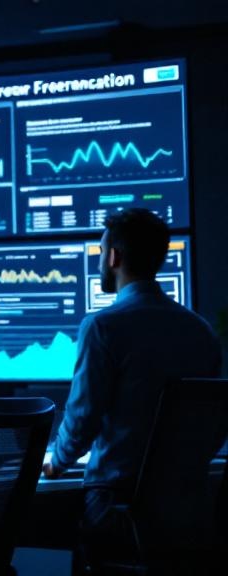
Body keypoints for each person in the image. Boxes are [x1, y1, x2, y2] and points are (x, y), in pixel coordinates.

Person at [39, 209, 221, 560]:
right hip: (189, 513)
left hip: (115, 508)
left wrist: (55, 464)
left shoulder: (104, 327)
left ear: (113, 256)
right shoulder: (202, 332)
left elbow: (82, 420)